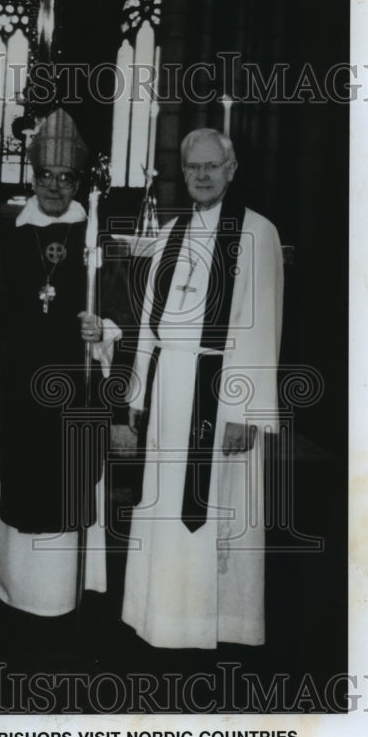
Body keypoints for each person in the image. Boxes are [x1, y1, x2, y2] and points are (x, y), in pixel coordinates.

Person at [122, 128, 283, 649]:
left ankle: (214, 626)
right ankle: (162, 618)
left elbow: (262, 327)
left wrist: (247, 411)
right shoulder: (170, 233)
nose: (203, 175)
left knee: (214, 509)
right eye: (194, 167)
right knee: (165, 507)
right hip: (170, 393)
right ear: (183, 172)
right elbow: (149, 322)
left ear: (232, 170)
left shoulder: (257, 233)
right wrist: (137, 397)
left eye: (213, 166)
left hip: (222, 391)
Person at [0, 108, 121, 618]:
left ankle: (62, 594)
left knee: (67, 484)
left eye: (65, 178)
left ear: (78, 182)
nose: (55, 187)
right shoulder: (10, 238)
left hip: (74, 398)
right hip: (17, 396)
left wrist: (101, 331)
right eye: (46, 176)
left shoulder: (97, 244)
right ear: (31, 177)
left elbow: (122, 317)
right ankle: (14, 585)